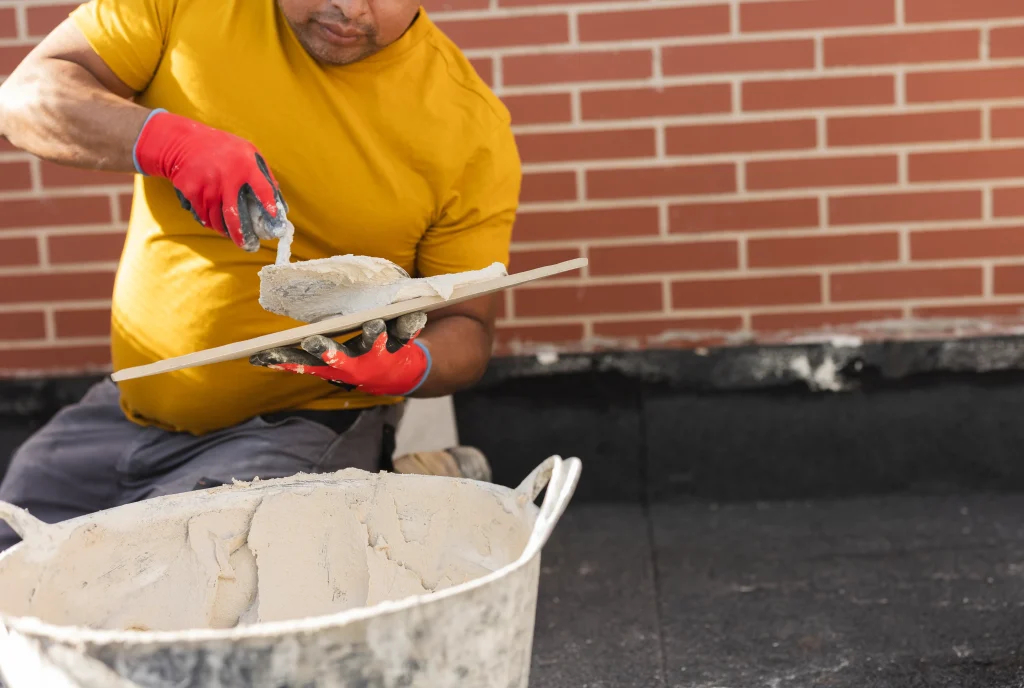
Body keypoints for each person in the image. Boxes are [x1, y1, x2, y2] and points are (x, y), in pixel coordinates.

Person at [0, 0, 520, 551]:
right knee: (17, 547)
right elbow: (23, 98)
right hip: (128, 410)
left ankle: (386, 481)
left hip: (300, 423)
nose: (346, 6)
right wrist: (166, 142)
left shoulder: (469, 128)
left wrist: (409, 365)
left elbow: (466, 323)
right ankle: (406, 479)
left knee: (174, 579)